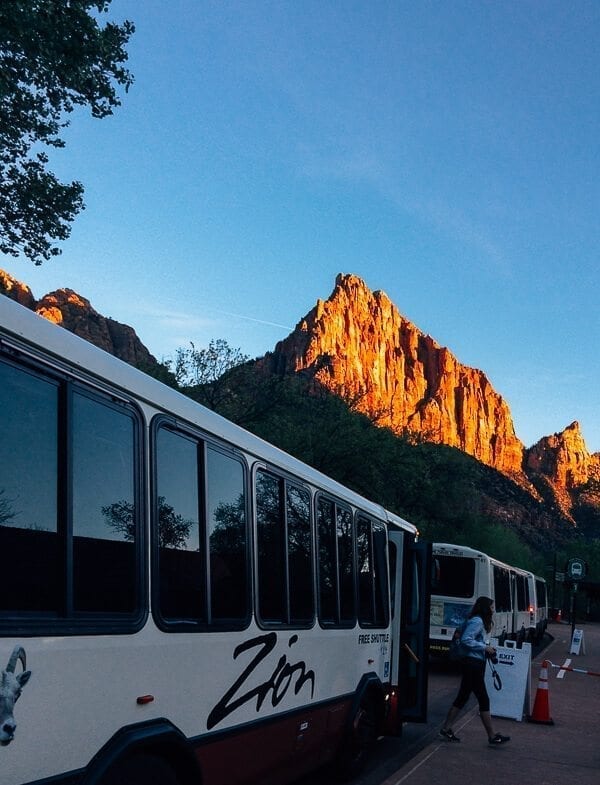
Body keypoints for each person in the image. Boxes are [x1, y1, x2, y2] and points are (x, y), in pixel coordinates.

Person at [440, 596, 510, 745]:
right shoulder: (478, 621)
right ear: (486, 608)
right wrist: (485, 647)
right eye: (492, 607)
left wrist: (485, 649)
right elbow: (466, 639)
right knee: (483, 698)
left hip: (473, 663)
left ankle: (446, 729)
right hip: (473, 664)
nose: (493, 610)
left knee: (463, 697)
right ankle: (491, 735)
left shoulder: (477, 620)